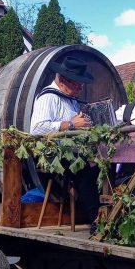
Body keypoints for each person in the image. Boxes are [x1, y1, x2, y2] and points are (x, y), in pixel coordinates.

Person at [29, 56, 100, 224]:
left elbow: (73, 125)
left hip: (71, 151)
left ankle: (104, 213)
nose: (79, 88)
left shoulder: (70, 99)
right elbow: (36, 129)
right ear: (61, 80)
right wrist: (71, 124)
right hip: (54, 154)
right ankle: (96, 221)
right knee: (86, 168)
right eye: (76, 84)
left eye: (80, 84)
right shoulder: (48, 97)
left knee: (104, 164)